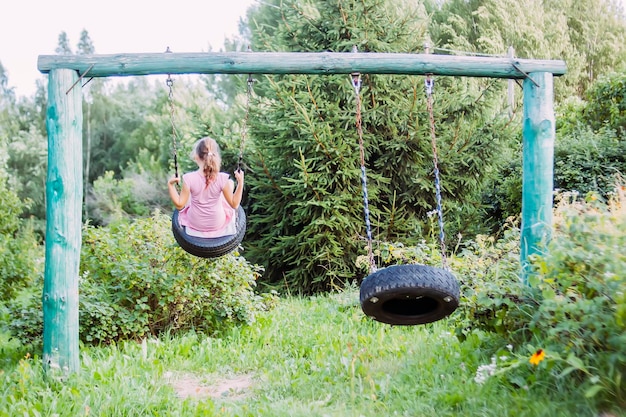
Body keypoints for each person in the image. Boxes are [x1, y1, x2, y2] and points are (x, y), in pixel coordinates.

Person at [168, 136, 244, 238]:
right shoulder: (222, 178)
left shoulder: (189, 178)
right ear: (215, 156)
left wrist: (170, 185)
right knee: (230, 183)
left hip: (195, 222)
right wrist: (240, 183)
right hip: (217, 222)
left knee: (190, 194)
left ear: (196, 156)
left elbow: (179, 205)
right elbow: (234, 204)